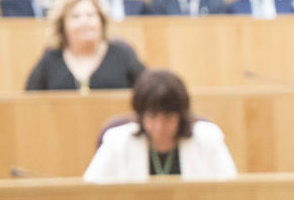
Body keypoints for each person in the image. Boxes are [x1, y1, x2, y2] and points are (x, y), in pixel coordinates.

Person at [83, 69, 237, 182]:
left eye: (168, 117)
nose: (159, 126)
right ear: (140, 115)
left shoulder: (208, 138)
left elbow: (229, 192)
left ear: (181, 115)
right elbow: (91, 192)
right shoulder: (117, 141)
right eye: (152, 116)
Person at [23, 0, 145, 92]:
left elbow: (148, 92)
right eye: (75, 16)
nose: (84, 22)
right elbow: (30, 101)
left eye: (91, 15)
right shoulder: (50, 59)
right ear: (62, 24)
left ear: (102, 21)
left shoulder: (122, 54)